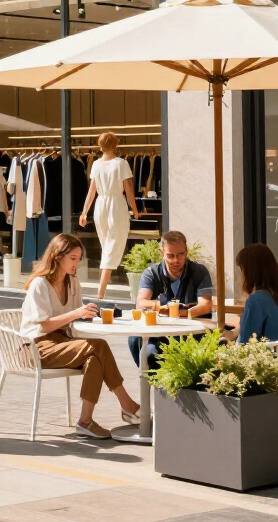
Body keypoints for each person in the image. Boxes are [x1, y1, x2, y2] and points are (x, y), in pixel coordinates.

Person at [21, 232, 141, 438]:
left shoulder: (72, 281)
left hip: (63, 343)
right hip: (36, 347)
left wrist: (91, 316)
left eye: (79, 259)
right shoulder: (39, 284)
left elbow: (74, 321)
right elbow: (44, 326)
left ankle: (85, 421)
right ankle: (127, 403)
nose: (76, 264)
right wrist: (77, 313)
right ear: (58, 257)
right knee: (98, 346)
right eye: (73, 258)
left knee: (94, 357)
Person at [131, 230, 214, 365]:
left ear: (186, 251)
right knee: (136, 340)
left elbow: (205, 305)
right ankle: (156, 382)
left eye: (180, 255)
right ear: (161, 253)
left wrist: (179, 313)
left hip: (191, 333)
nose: (176, 260)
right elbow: (140, 302)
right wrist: (160, 307)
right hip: (161, 332)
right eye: (170, 255)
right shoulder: (152, 273)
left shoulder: (199, 271)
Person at [79, 131, 140, 299]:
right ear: (115, 145)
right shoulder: (121, 163)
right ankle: (101, 291)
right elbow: (128, 190)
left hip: (100, 205)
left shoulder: (97, 164)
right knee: (112, 246)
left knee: (107, 245)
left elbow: (91, 192)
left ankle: (102, 290)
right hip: (116, 205)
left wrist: (84, 212)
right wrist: (135, 211)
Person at [232, 243, 278, 343]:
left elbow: (246, 342)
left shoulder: (256, 300)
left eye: (241, 270)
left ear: (249, 272)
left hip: (267, 357)